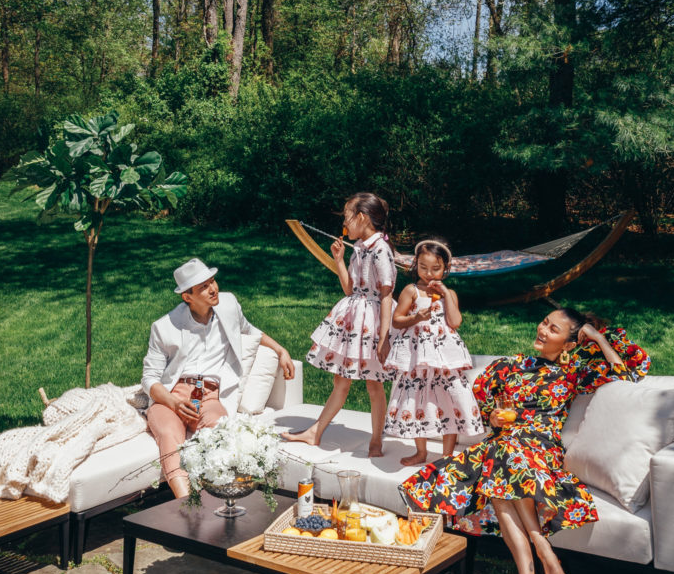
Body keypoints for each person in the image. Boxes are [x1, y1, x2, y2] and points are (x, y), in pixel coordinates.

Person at [401, 307, 649, 574]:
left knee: (502, 460)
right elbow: (480, 404)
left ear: (568, 342)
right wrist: (495, 419)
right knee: (502, 453)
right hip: (502, 449)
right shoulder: (511, 365)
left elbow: (630, 372)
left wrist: (597, 338)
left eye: (554, 329)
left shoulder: (574, 370)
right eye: (544, 322)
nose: (543, 330)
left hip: (540, 454)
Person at [142, 257, 295, 499]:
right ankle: (187, 504)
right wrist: (173, 403)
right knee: (170, 436)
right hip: (172, 398)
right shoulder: (165, 327)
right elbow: (149, 378)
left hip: (211, 396)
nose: (213, 289)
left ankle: (214, 499)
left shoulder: (228, 305)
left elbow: (249, 330)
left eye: (212, 281)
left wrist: (280, 350)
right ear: (187, 297)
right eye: (203, 286)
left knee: (220, 431)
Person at [282, 191, 395, 457]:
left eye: (347, 217)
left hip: (371, 322)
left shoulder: (380, 249)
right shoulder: (359, 248)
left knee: (373, 383)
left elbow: (387, 294)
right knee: (340, 380)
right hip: (353, 319)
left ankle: (377, 440)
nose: (344, 223)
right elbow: (349, 289)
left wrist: (384, 337)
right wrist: (339, 260)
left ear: (362, 217)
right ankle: (315, 432)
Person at [384, 239, 483, 466]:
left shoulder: (451, 294)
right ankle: (421, 452)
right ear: (415, 265)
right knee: (418, 401)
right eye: (423, 267)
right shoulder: (411, 291)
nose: (429, 274)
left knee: (449, 401)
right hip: (419, 358)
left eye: (435, 269)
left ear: (445, 269)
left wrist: (446, 294)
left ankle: (447, 456)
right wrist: (416, 318)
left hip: (444, 360)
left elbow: (455, 322)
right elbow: (397, 321)